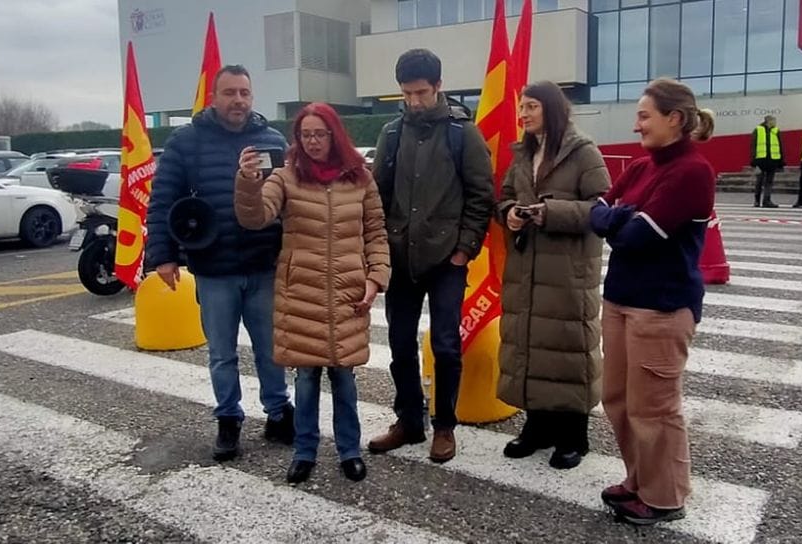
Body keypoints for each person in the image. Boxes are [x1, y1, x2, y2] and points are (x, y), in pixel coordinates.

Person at [234, 102, 390, 484]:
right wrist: (248, 181)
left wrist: (376, 279)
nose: (313, 141)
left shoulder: (361, 179)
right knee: (305, 381)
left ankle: (349, 451)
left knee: (345, 380)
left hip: (348, 294)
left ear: (335, 134)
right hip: (301, 295)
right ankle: (304, 451)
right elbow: (254, 217)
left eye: (320, 133)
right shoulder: (286, 178)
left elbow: (376, 233)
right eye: (306, 135)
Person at [146, 65, 294, 462]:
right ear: (214, 97)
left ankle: (279, 413)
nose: (238, 100)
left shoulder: (272, 140)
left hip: (264, 264)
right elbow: (162, 200)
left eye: (245, 92)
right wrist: (162, 256)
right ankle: (229, 419)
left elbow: (291, 202)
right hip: (213, 268)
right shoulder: (186, 142)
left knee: (271, 349)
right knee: (222, 354)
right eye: (230, 92)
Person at [589, 77, 716, 525]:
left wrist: (617, 218)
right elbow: (596, 210)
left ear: (675, 119)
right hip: (621, 299)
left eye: (645, 115)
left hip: (661, 307)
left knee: (655, 409)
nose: (636, 124)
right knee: (618, 399)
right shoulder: (643, 168)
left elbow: (639, 236)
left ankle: (664, 498)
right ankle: (638, 478)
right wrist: (617, 216)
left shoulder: (692, 171)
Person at [367, 48, 495, 463]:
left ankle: (444, 425)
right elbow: (377, 194)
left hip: (446, 260)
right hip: (401, 257)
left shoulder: (462, 133)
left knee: (445, 345)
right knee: (400, 343)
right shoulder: (392, 132)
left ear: (438, 86)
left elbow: (481, 196)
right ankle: (408, 420)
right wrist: (379, 248)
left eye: (421, 92)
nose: (414, 101)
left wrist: (464, 250)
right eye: (406, 93)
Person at [495, 81, 610, 470]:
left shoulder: (583, 152)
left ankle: (574, 436)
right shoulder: (523, 153)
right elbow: (507, 194)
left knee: (567, 348)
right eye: (522, 107)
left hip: (568, 269)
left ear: (552, 110)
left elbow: (602, 208)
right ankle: (537, 427)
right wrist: (510, 212)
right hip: (527, 267)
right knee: (532, 343)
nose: (523, 114)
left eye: (531, 107)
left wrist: (551, 212)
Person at [750, 114, 784, 208]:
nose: (775, 123)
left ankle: (766, 200)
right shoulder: (758, 130)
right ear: (769, 121)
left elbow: (780, 146)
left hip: (772, 160)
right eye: (774, 121)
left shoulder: (776, 131)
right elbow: (753, 146)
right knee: (759, 181)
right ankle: (757, 201)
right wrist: (753, 161)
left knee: (769, 182)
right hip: (760, 160)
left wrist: (781, 161)